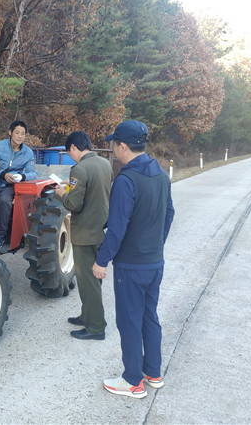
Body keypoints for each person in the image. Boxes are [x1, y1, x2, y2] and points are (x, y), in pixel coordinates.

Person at [92, 120, 175, 399]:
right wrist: (156, 244)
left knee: (129, 321)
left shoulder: (126, 181)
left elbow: (116, 229)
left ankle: (132, 381)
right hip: (154, 262)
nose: (113, 148)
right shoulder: (161, 175)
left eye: (114, 144)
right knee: (149, 316)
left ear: (122, 146)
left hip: (130, 265)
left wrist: (101, 261)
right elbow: (169, 214)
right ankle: (153, 372)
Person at [53, 131, 113, 340]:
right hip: (100, 229)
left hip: (85, 233)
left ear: (73, 148)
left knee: (87, 281)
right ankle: (87, 315)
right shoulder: (105, 164)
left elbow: (74, 204)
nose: (71, 156)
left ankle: (96, 327)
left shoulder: (80, 169)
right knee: (94, 280)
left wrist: (62, 194)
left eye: (70, 152)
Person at [0, 120, 38, 249]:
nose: (20, 136)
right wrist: (3, 175)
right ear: (10, 132)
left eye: (23, 133)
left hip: (10, 186)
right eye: (17, 132)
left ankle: (0, 235)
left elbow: (33, 173)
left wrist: (21, 176)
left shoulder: (28, 153)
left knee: (4, 200)